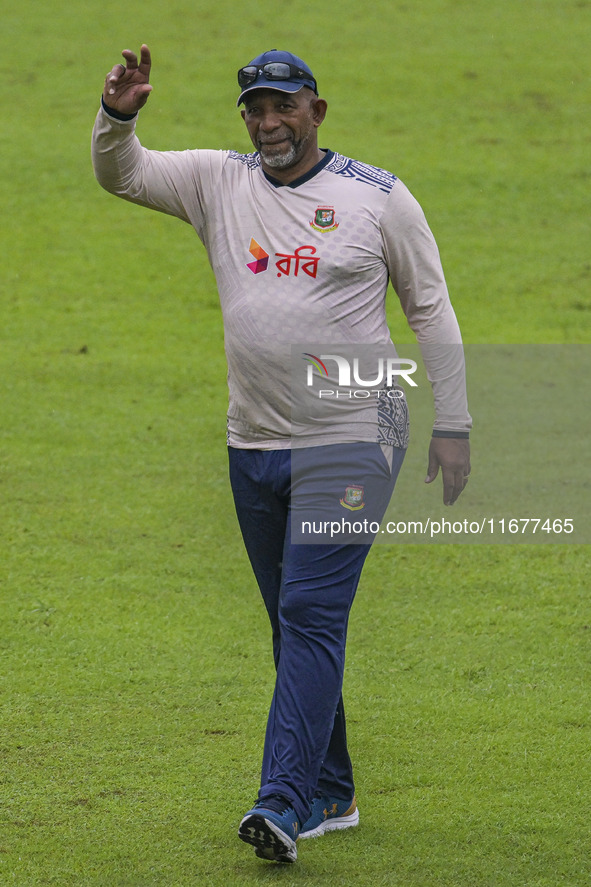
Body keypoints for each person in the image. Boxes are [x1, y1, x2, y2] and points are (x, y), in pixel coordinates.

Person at [92, 45, 471, 864]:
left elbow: (430, 310)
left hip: (355, 436)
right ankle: (331, 789)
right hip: (253, 439)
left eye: (283, 107)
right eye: (255, 109)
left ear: (316, 110)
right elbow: (123, 175)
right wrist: (118, 117)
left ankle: (282, 802)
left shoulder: (376, 198)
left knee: (308, 614)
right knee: (293, 624)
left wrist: (456, 422)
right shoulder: (218, 182)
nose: (268, 123)